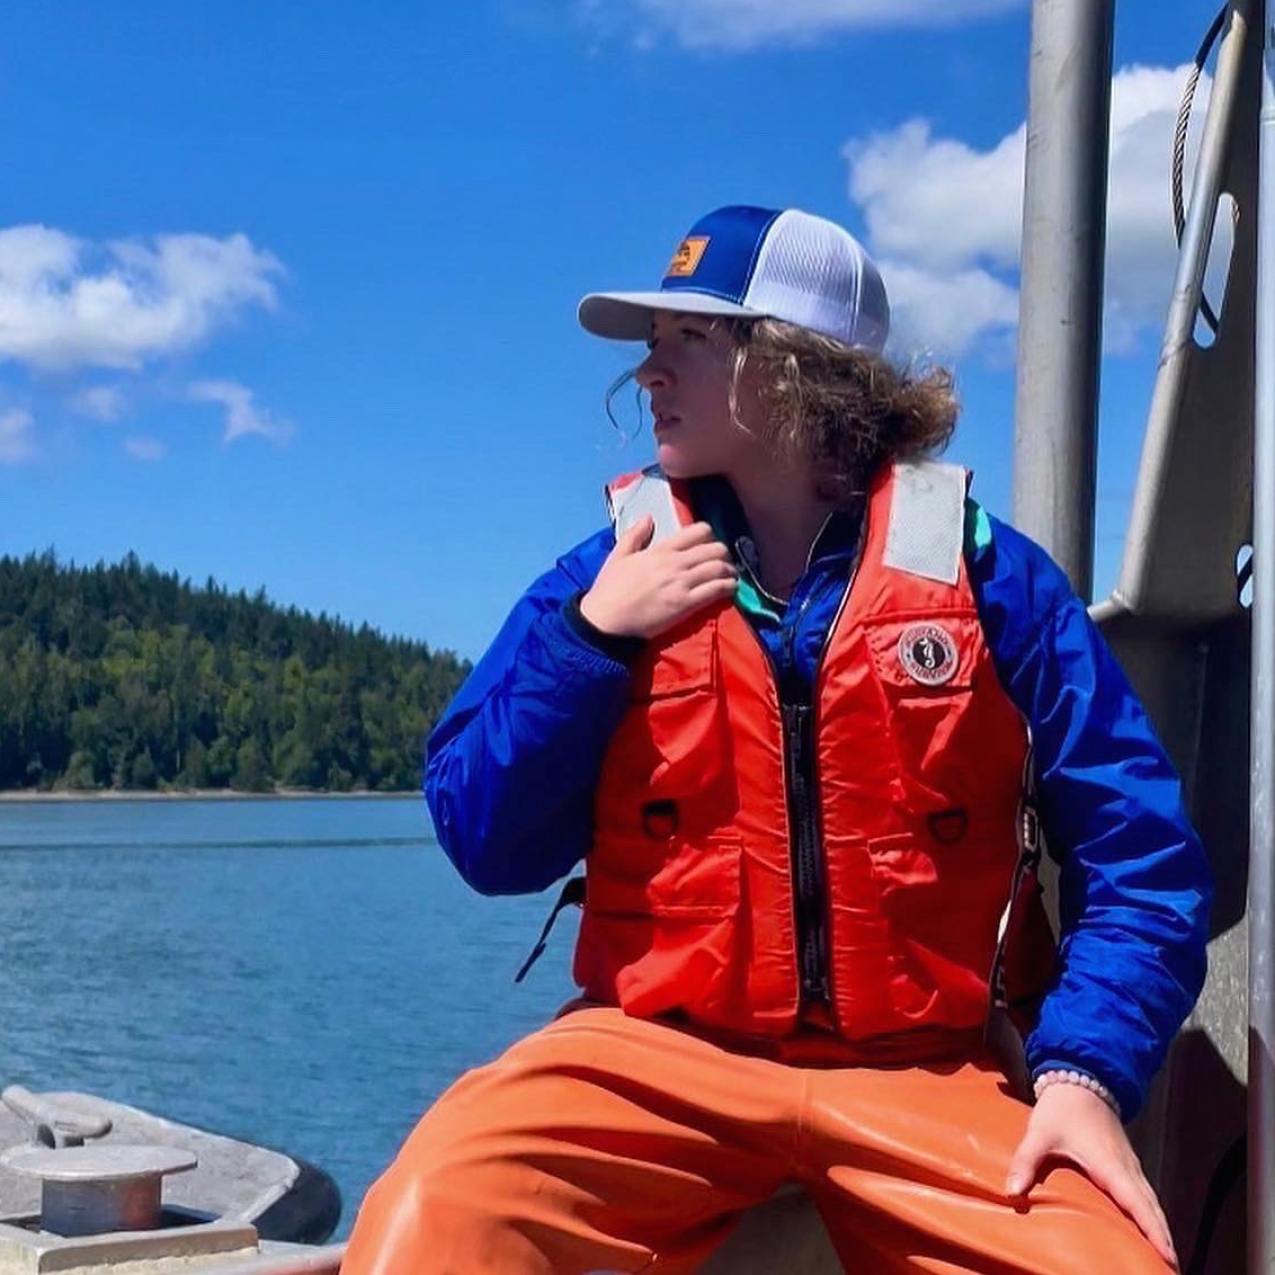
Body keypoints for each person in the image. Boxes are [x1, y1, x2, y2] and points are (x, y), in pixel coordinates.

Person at [342, 206, 1212, 1273]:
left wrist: (1082, 1077)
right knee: (437, 1216)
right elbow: (488, 841)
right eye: (648, 349)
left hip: (930, 1072)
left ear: (797, 367)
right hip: (651, 1058)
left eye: (687, 343)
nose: (646, 377)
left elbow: (1142, 857)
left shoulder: (989, 575)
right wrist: (592, 640)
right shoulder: (606, 574)